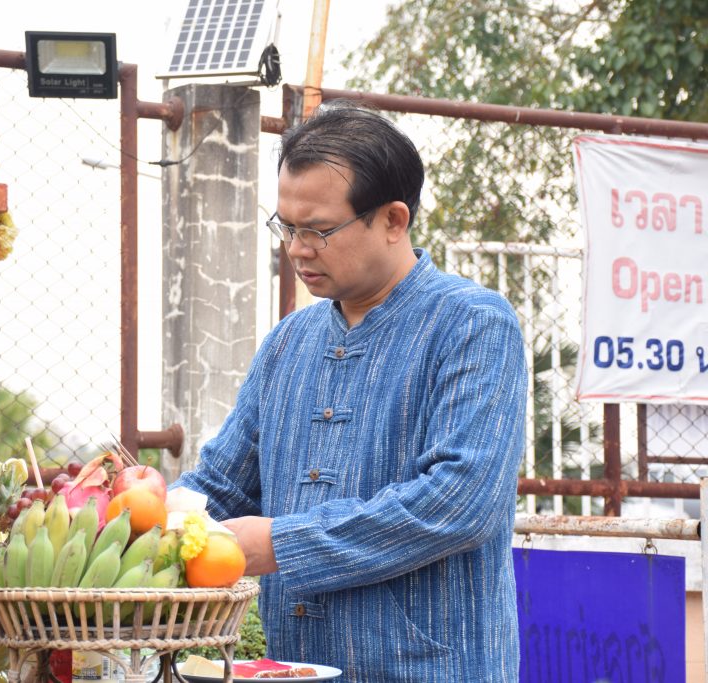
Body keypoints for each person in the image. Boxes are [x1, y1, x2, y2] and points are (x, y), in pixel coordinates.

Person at [173, 103, 527, 682]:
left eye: (318, 230)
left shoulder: (471, 323)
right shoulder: (288, 342)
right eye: (287, 226)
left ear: (393, 219)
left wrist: (282, 545)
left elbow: (461, 502)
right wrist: (139, 518)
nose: (297, 248)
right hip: (294, 667)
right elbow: (222, 487)